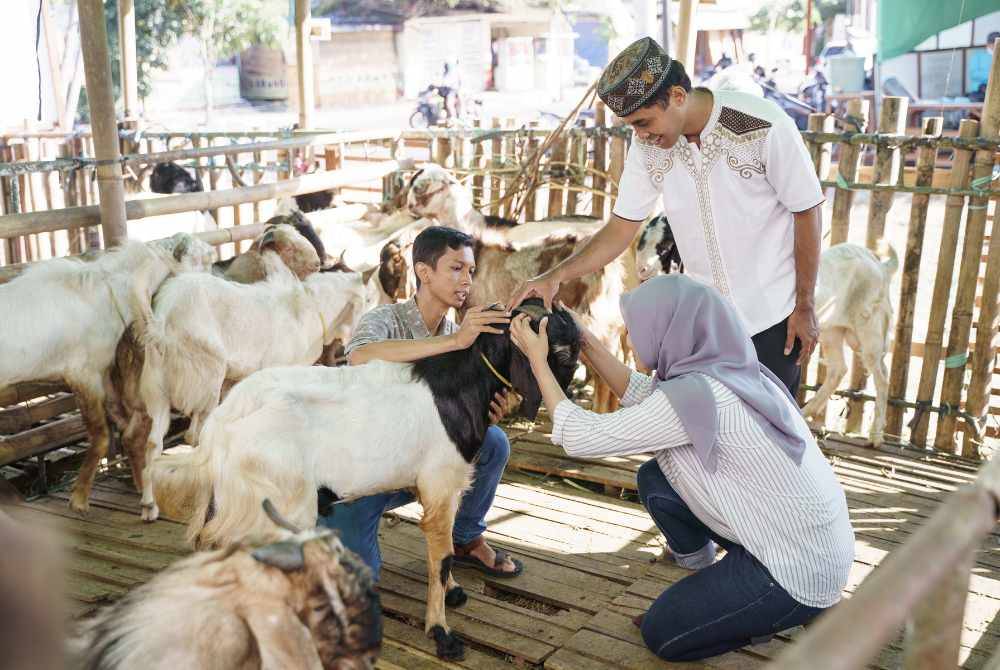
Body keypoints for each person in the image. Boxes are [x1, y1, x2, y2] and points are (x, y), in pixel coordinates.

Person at [509, 274, 854, 662]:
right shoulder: (729, 369)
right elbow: (644, 394)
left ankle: (759, 617)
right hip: (810, 547)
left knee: (663, 635)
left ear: (670, 330)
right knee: (656, 479)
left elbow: (581, 436)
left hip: (793, 571)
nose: (630, 338)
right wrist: (584, 341)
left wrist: (538, 361)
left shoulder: (699, 393)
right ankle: (715, 597)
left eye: (639, 328)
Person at [510, 37, 825, 396]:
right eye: (631, 126)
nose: (640, 134)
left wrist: (804, 306)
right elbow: (620, 227)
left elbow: (807, 211)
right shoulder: (648, 146)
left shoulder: (761, 125)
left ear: (677, 96)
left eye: (643, 121)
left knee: (767, 440)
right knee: (703, 435)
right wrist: (556, 275)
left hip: (774, 318)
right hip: (706, 325)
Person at [318, 226, 525, 580]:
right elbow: (361, 357)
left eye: (471, 271)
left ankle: (465, 539)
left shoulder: (458, 334)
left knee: (492, 443)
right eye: (456, 268)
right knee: (361, 579)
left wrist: (486, 413)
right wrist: (455, 343)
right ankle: (314, 524)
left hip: (419, 465)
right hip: (363, 473)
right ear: (424, 273)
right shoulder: (384, 318)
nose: (466, 280)